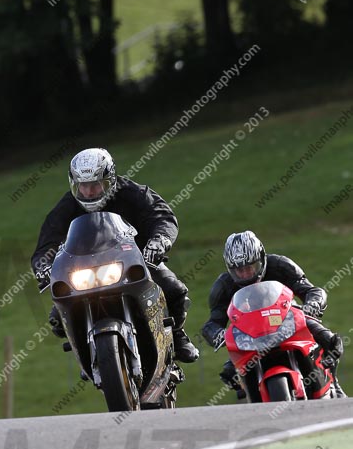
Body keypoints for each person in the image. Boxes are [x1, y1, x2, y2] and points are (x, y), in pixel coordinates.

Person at [31, 147, 199, 363]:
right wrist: (43, 266)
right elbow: (48, 240)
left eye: (94, 185)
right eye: (83, 186)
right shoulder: (67, 206)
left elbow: (161, 216)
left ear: (109, 180)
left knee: (173, 289)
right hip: (84, 273)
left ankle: (176, 334)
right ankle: (85, 351)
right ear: (75, 184)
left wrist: (159, 241)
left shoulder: (133, 193)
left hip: (136, 262)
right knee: (57, 317)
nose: (88, 192)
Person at [201, 230, 346, 398]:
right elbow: (212, 323)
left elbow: (311, 290)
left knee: (328, 338)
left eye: (250, 267)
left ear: (261, 257)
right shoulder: (224, 285)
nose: (246, 274)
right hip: (250, 333)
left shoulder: (280, 265)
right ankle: (250, 393)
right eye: (239, 271)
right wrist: (218, 335)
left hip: (286, 318)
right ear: (230, 268)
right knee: (229, 371)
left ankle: (333, 381)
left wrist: (312, 304)